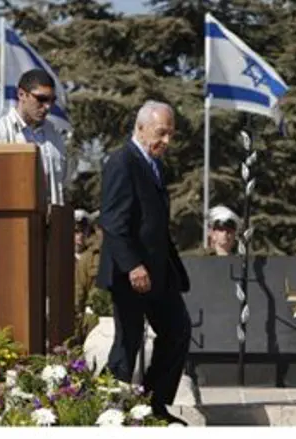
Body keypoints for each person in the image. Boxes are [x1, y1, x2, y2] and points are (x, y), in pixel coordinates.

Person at [96, 100, 191, 425]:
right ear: (140, 127)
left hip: (159, 272)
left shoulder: (155, 165)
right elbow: (112, 221)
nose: (167, 141)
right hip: (130, 273)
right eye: (161, 133)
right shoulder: (122, 162)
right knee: (128, 341)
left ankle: (154, 406)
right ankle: (110, 411)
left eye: (171, 135)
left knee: (177, 330)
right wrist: (133, 265)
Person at [0, 68, 67, 205]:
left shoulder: (55, 135)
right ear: (21, 94)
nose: (47, 106)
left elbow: (61, 184)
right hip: (12, 221)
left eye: (51, 100)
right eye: (41, 99)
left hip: (51, 220)